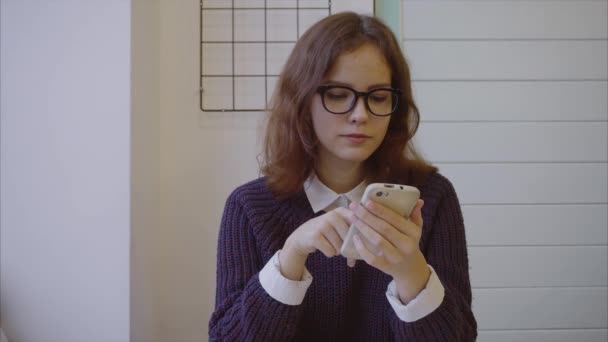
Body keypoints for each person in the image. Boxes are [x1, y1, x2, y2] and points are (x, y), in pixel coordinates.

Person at [209, 12, 477, 341]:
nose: (360, 115)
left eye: (378, 97)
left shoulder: (431, 197)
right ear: (302, 100)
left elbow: (459, 337)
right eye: (337, 95)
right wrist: (291, 256)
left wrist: (411, 273)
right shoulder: (249, 206)